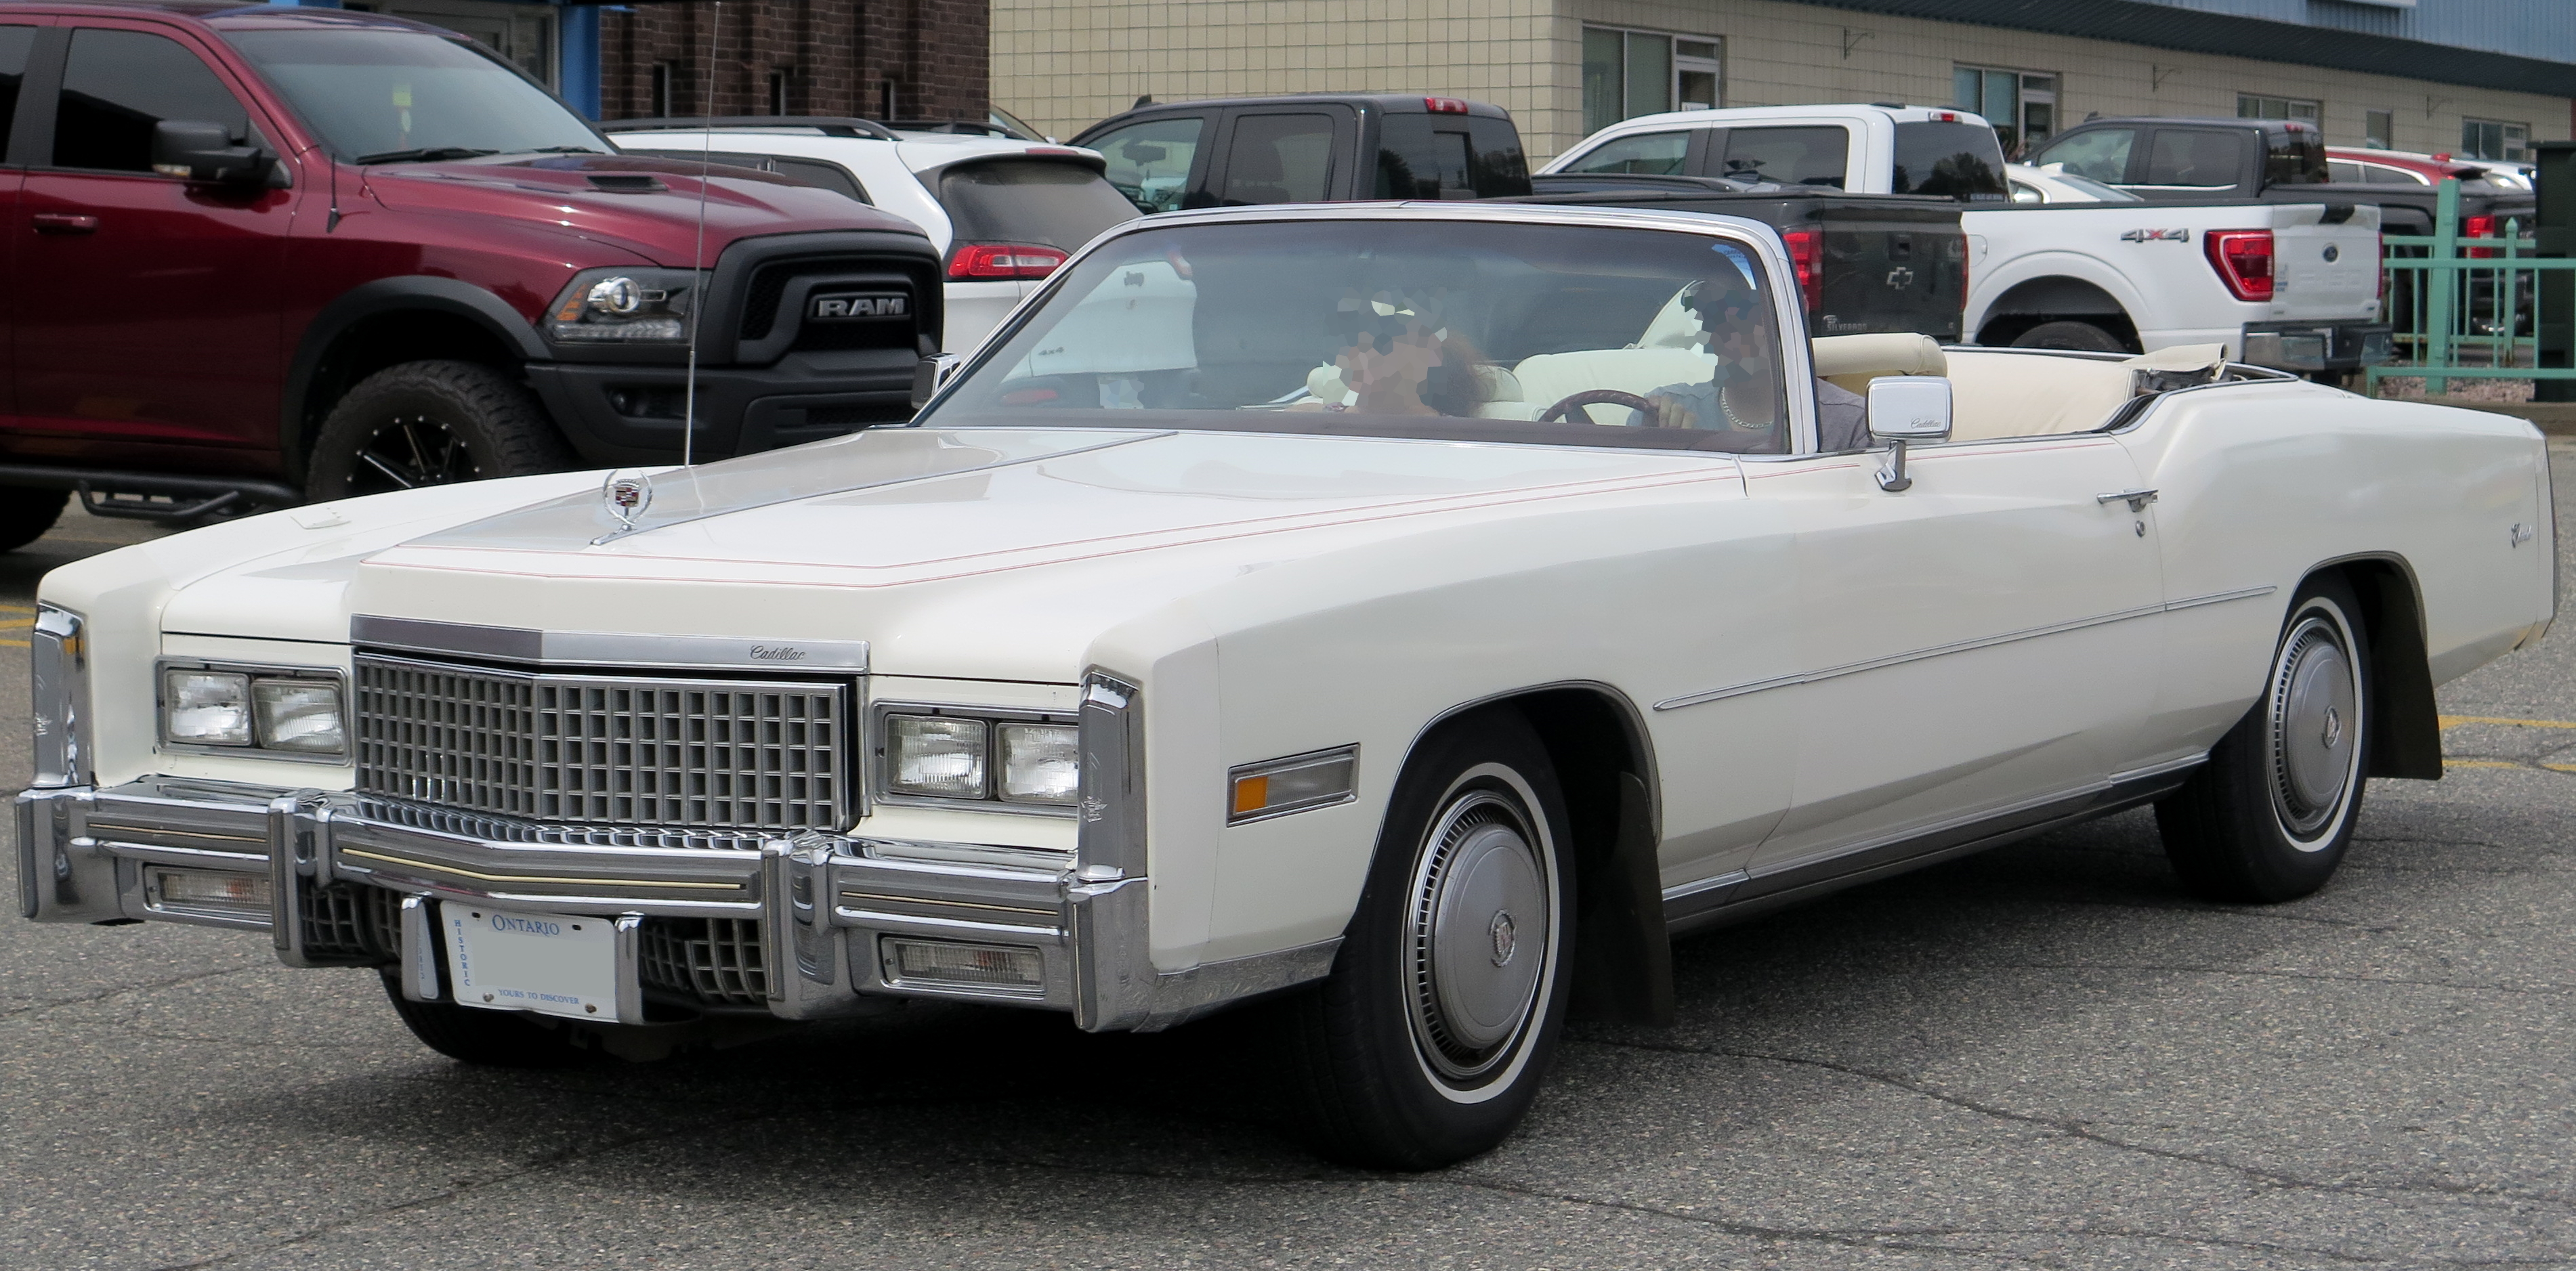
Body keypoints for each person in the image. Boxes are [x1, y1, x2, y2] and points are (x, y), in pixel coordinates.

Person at [1630, 261, 1870, 451]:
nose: (1729, 327)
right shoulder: (1661, 410)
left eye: (1748, 312)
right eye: (1712, 312)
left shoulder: (1852, 423)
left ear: (1791, 320)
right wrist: (1662, 446)